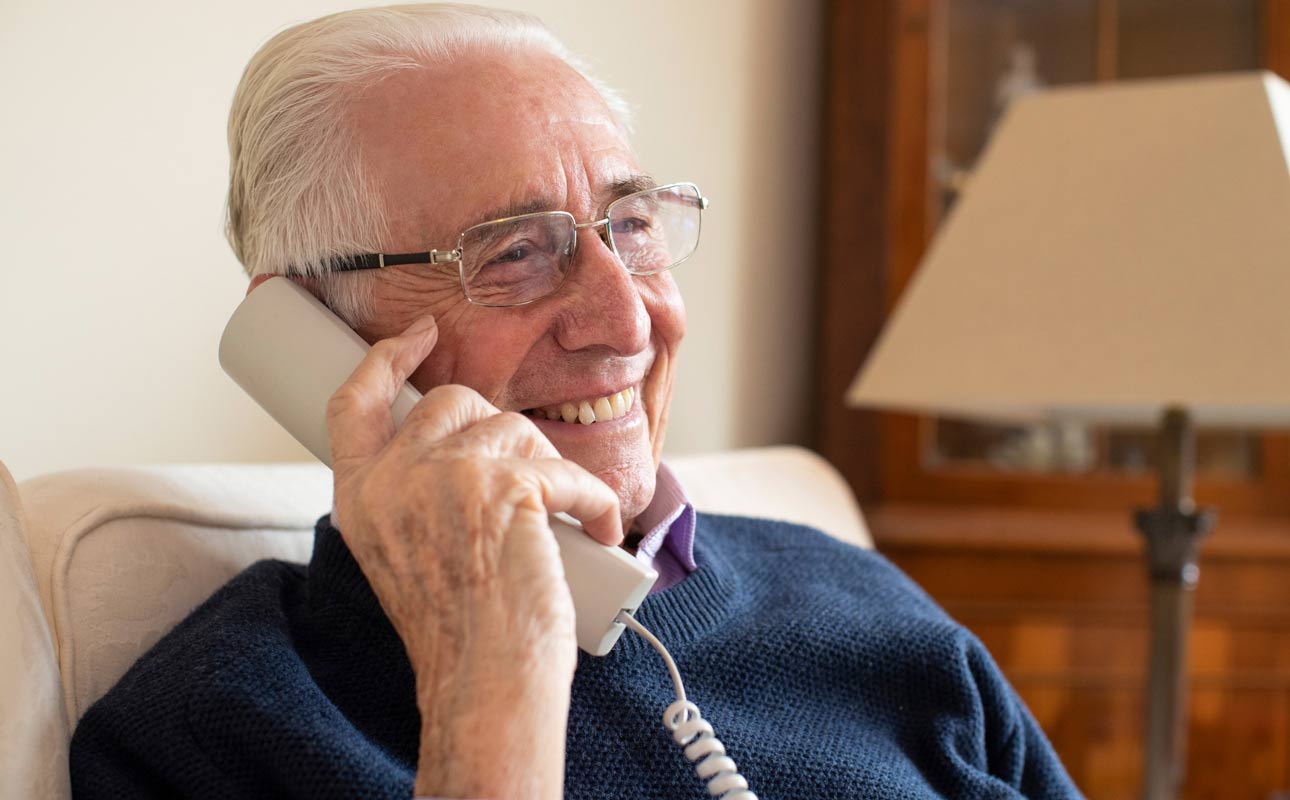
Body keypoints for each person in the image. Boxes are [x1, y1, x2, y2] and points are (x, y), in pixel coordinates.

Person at [69, 5, 1082, 798]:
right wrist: (488, 691)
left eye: (630, 223)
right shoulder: (212, 731)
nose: (626, 320)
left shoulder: (868, 605)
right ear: (312, 339)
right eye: (514, 251)